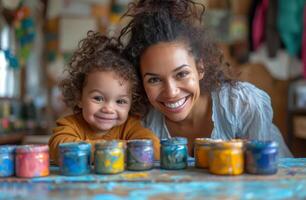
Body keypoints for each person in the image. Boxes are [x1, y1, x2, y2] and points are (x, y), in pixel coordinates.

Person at [118, 0, 292, 157]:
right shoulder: (142, 121)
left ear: (200, 67)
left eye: (181, 74)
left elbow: (270, 178)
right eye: (154, 80)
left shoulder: (241, 105)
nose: (171, 92)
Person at [49, 31, 160, 164]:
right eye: (98, 98)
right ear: (79, 97)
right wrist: (112, 149)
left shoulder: (130, 127)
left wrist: (105, 150)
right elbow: (58, 147)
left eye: (120, 101)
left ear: (131, 103)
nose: (108, 109)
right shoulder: (70, 125)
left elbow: (154, 148)